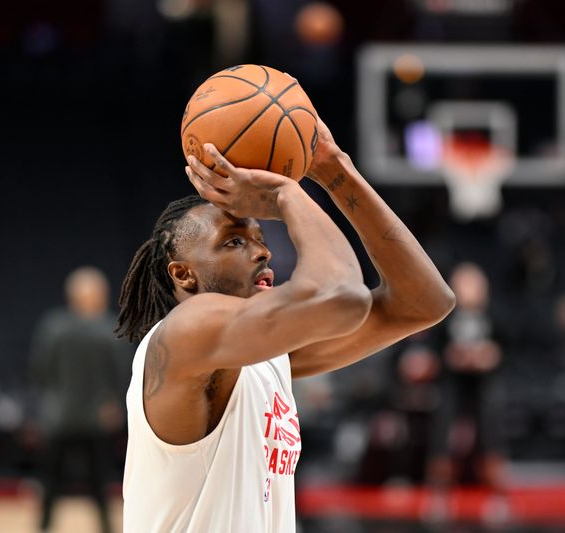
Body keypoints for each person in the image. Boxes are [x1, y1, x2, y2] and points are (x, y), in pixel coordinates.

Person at [116, 117, 456, 532]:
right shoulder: (188, 329)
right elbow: (341, 296)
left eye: (260, 237)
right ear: (183, 275)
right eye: (234, 240)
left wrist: (337, 171)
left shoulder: (265, 357)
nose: (262, 252)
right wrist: (285, 193)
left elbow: (424, 303)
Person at [30, 266, 132, 533]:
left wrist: (51, 399)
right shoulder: (111, 329)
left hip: (59, 416)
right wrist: (113, 405)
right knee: (99, 482)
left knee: (51, 480)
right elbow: (121, 375)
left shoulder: (52, 327)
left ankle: (44, 527)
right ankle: (106, 528)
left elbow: (40, 370)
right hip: (97, 417)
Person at [424, 262, 508, 524]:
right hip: (453, 381)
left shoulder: (494, 316)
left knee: (491, 422)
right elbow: (437, 350)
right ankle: (438, 490)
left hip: (484, 382)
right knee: (443, 423)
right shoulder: (446, 316)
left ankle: (496, 492)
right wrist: (453, 356)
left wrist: (489, 356)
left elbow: (505, 349)